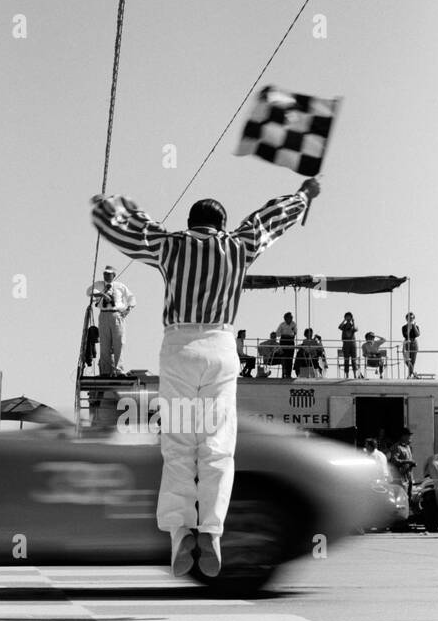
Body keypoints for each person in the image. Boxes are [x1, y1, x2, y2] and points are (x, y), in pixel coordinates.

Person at [91, 177, 318, 576]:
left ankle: (181, 533)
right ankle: (212, 530)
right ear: (223, 224)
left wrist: (105, 206)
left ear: (191, 222)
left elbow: (129, 228)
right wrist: (302, 196)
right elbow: (270, 219)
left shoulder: (171, 244)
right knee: (217, 447)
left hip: (179, 348)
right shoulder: (238, 244)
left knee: (179, 446)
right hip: (220, 347)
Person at [88, 265, 136, 377]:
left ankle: (118, 370)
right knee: (105, 343)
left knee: (118, 342)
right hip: (104, 315)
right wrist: (102, 294)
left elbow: (131, 298)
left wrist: (128, 309)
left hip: (116, 315)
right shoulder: (99, 284)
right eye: (105, 273)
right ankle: (105, 370)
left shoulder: (120, 286)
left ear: (113, 275)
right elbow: (89, 292)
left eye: (109, 274)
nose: (106, 276)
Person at [276, 312, 298, 379]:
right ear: (285, 318)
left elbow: (295, 332)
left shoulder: (293, 324)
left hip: (290, 341)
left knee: (290, 359)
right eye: (290, 317)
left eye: (292, 317)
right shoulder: (282, 325)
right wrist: (284, 334)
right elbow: (277, 334)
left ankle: (288, 374)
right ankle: (284, 374)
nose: (291, 319)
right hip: (283, 341)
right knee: (284, 358)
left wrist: (292, 333)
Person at [401, 312, 421, 378]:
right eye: (409, 318)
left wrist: (414, 327)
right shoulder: (404, 327)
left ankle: (409, 375)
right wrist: (409, 329)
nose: (411, 319)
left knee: (413, 361)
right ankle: (414, 373)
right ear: (406, 319)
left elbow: (417, 334)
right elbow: (405, 335)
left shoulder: (416, 326)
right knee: (407, 360)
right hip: (407, 342)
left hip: (414, 343)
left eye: (412, 318)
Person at [338, 312, 358, 378]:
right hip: (346, 344)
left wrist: (353, 322)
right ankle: (347, 375)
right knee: (346, 360)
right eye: (347, 316)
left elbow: (355, 329)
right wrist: (344, 320)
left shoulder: (353, 325)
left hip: (352, 344)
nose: (348, 318)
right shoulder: (344, 326)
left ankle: (355, 374)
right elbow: (339, 327)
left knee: (354, 360)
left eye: (349, 316)